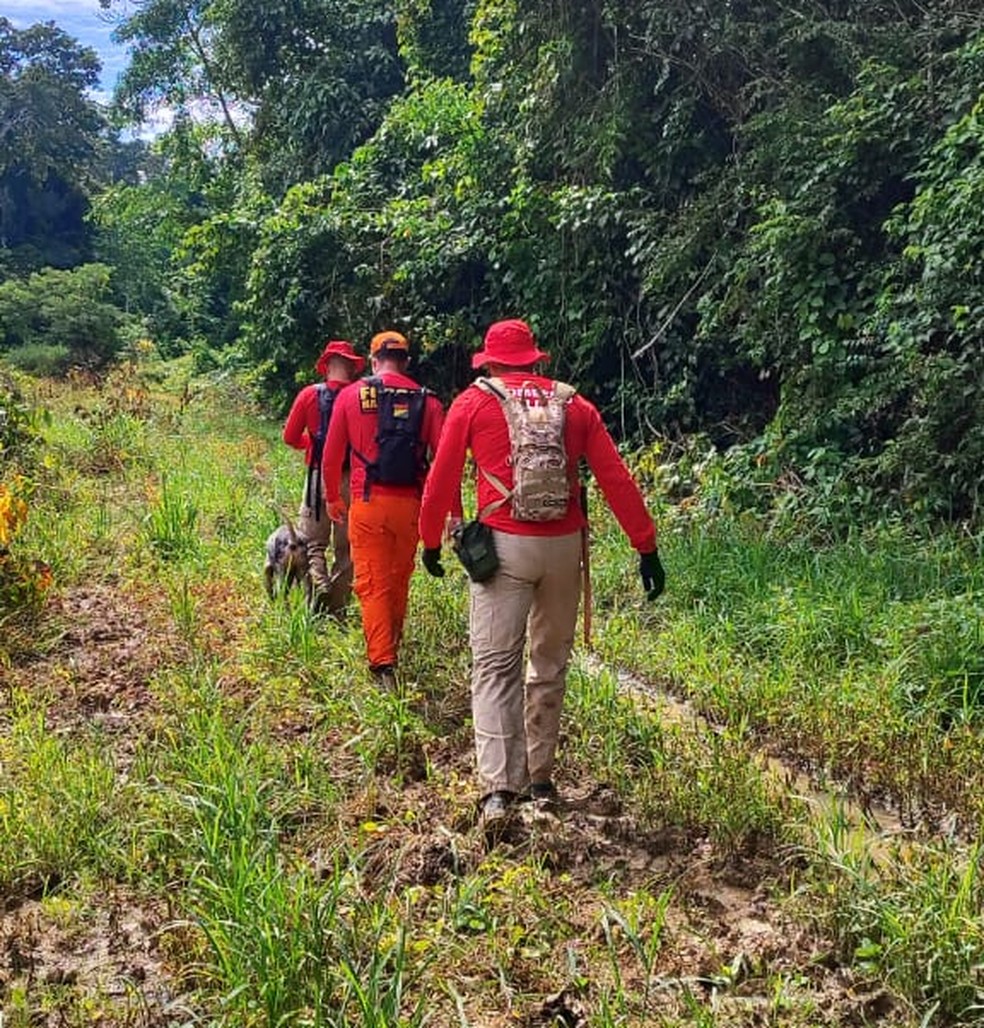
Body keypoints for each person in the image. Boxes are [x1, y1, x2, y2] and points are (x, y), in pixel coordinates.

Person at [417, 318, 665, 837]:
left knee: (493, 666)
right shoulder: (575, 406)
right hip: (563, 548)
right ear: (535, 360)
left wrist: (432, 539)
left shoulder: (473, 402)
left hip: (504, 549)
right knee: (548, 664)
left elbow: (440, 477)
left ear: (491, 361)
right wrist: (646, 546)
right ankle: (541, 781)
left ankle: (499, 791)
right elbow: (616, 477)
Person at [322, 330, 449, 688]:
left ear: (374, 360)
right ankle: (391, 643)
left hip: (366, 501)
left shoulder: (350, 396)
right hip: (410, 505)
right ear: (406, 361)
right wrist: (447, 514)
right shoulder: (429, 402)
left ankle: (382, 662)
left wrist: (333, 497)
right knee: (397, 577)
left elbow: (331, 458)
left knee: (371, 583)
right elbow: (443, 465)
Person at [282, 339, 365, 615]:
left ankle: (317, 587)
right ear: (352, 368)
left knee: (309, 540)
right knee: (348, 547)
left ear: (326, 365)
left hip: (318, 477)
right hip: (352, 480)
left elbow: (290, 437)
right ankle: (338, 609)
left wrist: (314, 447)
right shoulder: (360, 397)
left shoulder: (309, 395)